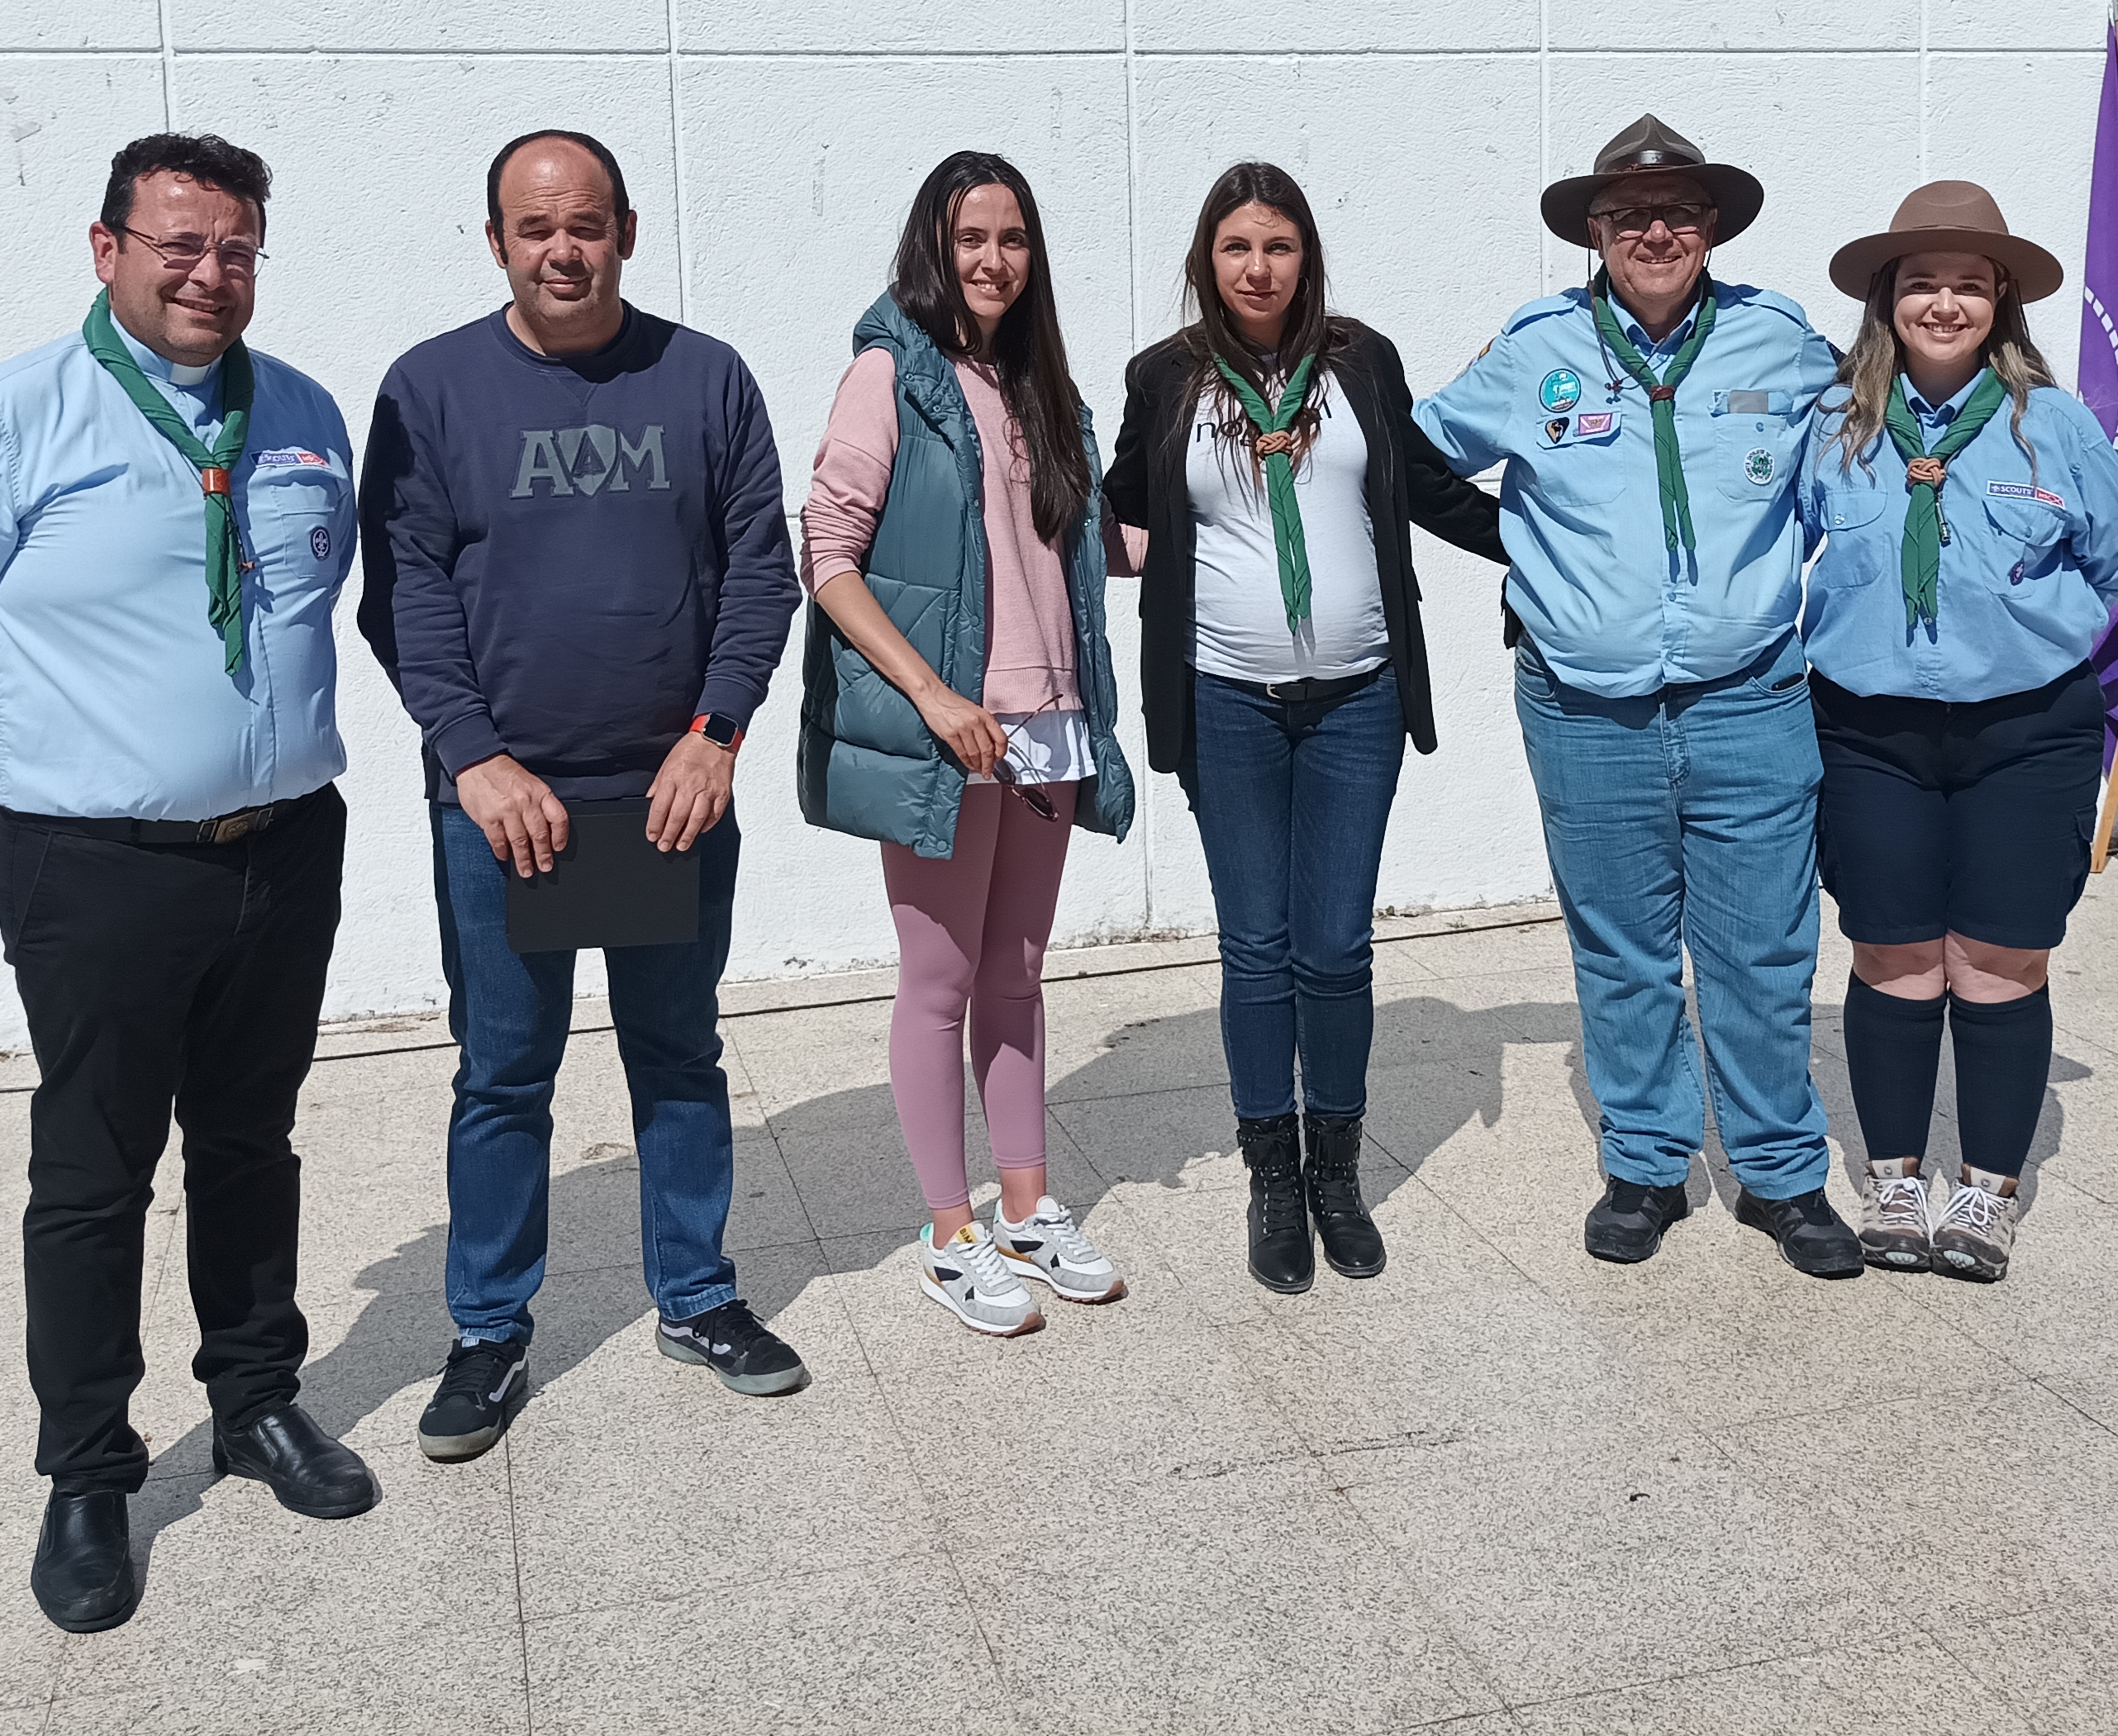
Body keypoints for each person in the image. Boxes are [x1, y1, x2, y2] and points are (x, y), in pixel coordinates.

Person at [0, 132, 370, 1635]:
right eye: (181, 246)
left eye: (239, 250)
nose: (213, 274)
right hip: (94, 867)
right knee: (92, 1174)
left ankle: (257, 1400)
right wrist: (37, 730)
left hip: (281, 846)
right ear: (107, 248)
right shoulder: (6, 419)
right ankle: (87, 1472)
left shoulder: (303, 413)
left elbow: (309, 598)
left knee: (251, 1143)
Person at [359, 129, 807, 1458]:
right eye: (536, 228)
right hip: (502, 806)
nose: (565, 249)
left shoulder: (705, 378)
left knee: (677, 1053)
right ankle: (490, 1330)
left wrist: (715, 733)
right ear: (496, 241)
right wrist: (472, 755)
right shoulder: (431, 390)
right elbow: (405, 592)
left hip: (666, 789)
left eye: (588, 223)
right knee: (505, 1072)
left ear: (625, 228)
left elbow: (759, 571)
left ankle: (699, 1296)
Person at [1416, 115, 1865, 1280]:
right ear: (1597, 235)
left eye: (1678, 214)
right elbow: (1413, 455)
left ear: (1710, 227)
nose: (1655, 232)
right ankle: (1648, 1164)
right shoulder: (1536, 352)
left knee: (1763, 951)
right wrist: (1517, 543)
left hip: (1752, 699)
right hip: (1584, 707)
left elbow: (1850, 473)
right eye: (1629, 217)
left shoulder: (1780, 344)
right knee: (1620, 952)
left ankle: (1779, 1173)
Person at [1102, 162, 1505, 1293]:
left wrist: (1555, 546)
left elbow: (1428, 486)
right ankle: (1270, 1177)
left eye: (1277, 246)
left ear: (1305, 255)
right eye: (1237, 248)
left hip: (1357, 701)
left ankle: (1336, 1169)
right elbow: (1120, 508)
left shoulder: (1360, 360)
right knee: (1257, 946)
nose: (1258, 267)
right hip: (1225, 698)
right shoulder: (1164, 381)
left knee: (1335, 947)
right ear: (1206, 261)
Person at [796, 151, 1137, 1336]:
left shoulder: (1039, 382)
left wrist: (1208, 522)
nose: (991, 260)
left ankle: (1030, 1206)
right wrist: (934, 696)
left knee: (1019, 972)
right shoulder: (890, 374)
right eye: (969, 237)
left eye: (1012, 238)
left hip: (1047, 725)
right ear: (932, 248)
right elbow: (828, 554)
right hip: (956, 727)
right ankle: (952, 1234)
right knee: (939, 982)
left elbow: (1068, 549)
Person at [1798, 183, 2118, 1282]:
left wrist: (2026, 628)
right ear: (1886, 299)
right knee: (1897, 954)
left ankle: (1989, 1191)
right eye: (1920, 282)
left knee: (1999, 960)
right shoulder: (1835, 423)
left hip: (2024, 730)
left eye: (1967, 282)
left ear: (2001, 301)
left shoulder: (2054, 425)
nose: (1942, 301)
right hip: (1870, 728)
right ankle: (1898, 1181)